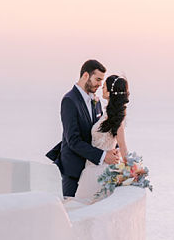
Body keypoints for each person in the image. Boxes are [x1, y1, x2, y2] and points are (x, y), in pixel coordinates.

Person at [46, 59, 121, 198]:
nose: (100, 84)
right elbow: (73, 140)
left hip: (93, 169)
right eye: (97, 79)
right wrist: (104, 156)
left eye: (101, 80)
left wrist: (114, 150)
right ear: (86, 75)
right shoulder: (69, 100)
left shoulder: (96, 102)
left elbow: (99, 133)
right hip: (74, 169)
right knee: (73, 211)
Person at [73, 74, 130, 203]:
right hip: (92, 167)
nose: (101, 88)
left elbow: (123, 146)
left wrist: (133, 172)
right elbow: (112, 139)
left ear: (109, 92)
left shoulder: (118, 119)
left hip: (101, 171)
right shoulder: (108, 114)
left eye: (104, 86)